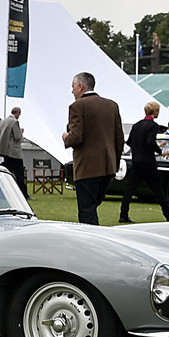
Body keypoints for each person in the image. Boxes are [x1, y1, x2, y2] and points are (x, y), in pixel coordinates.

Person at [62, 72, 124, 225]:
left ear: (80, 86)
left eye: (73, 87)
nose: (72, 91)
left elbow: (76, 137)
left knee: (87, 211)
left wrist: (66, 138)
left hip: (87, 168)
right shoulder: (112, 105)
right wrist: (114, 164)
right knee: (93, 206)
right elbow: (119, 138)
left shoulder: (77, 106)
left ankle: (91, 243)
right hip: (108, 167)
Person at [118, 102, 169, 223]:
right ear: (155, 112)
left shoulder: (136, 125)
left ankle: (123, 214)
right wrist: (161, 151)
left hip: (136, 161)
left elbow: (129, 142)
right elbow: (150, 142)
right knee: (158, 189)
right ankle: (168, 214)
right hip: (148, 162)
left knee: (129, 189)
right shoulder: (153, 126)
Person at [0, 106, 27, 195]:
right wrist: (20, 132)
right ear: (17, 113)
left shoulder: (3, 121)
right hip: (14, 152)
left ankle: (4, 191)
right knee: (19, 174)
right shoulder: (15, 122)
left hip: (5, 150)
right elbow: (17, 137)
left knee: (7, 172)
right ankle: (23, 194)